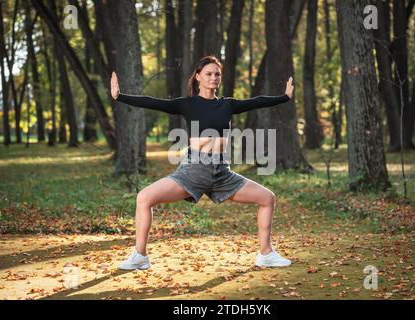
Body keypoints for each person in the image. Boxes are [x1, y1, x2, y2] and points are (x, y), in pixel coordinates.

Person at [112, 56, 294, 270]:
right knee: (144, 197)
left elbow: (256, 101)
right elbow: (153, 102)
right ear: (198, 77)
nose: (213, 77)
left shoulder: (227, 104)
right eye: (208, 73)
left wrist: (284, 97)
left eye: (217, 74)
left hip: (222, 172)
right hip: (194, 170)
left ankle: (266, 254)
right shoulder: (188, 104)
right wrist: (120, 96)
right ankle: (140, 256)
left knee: (267, 198)